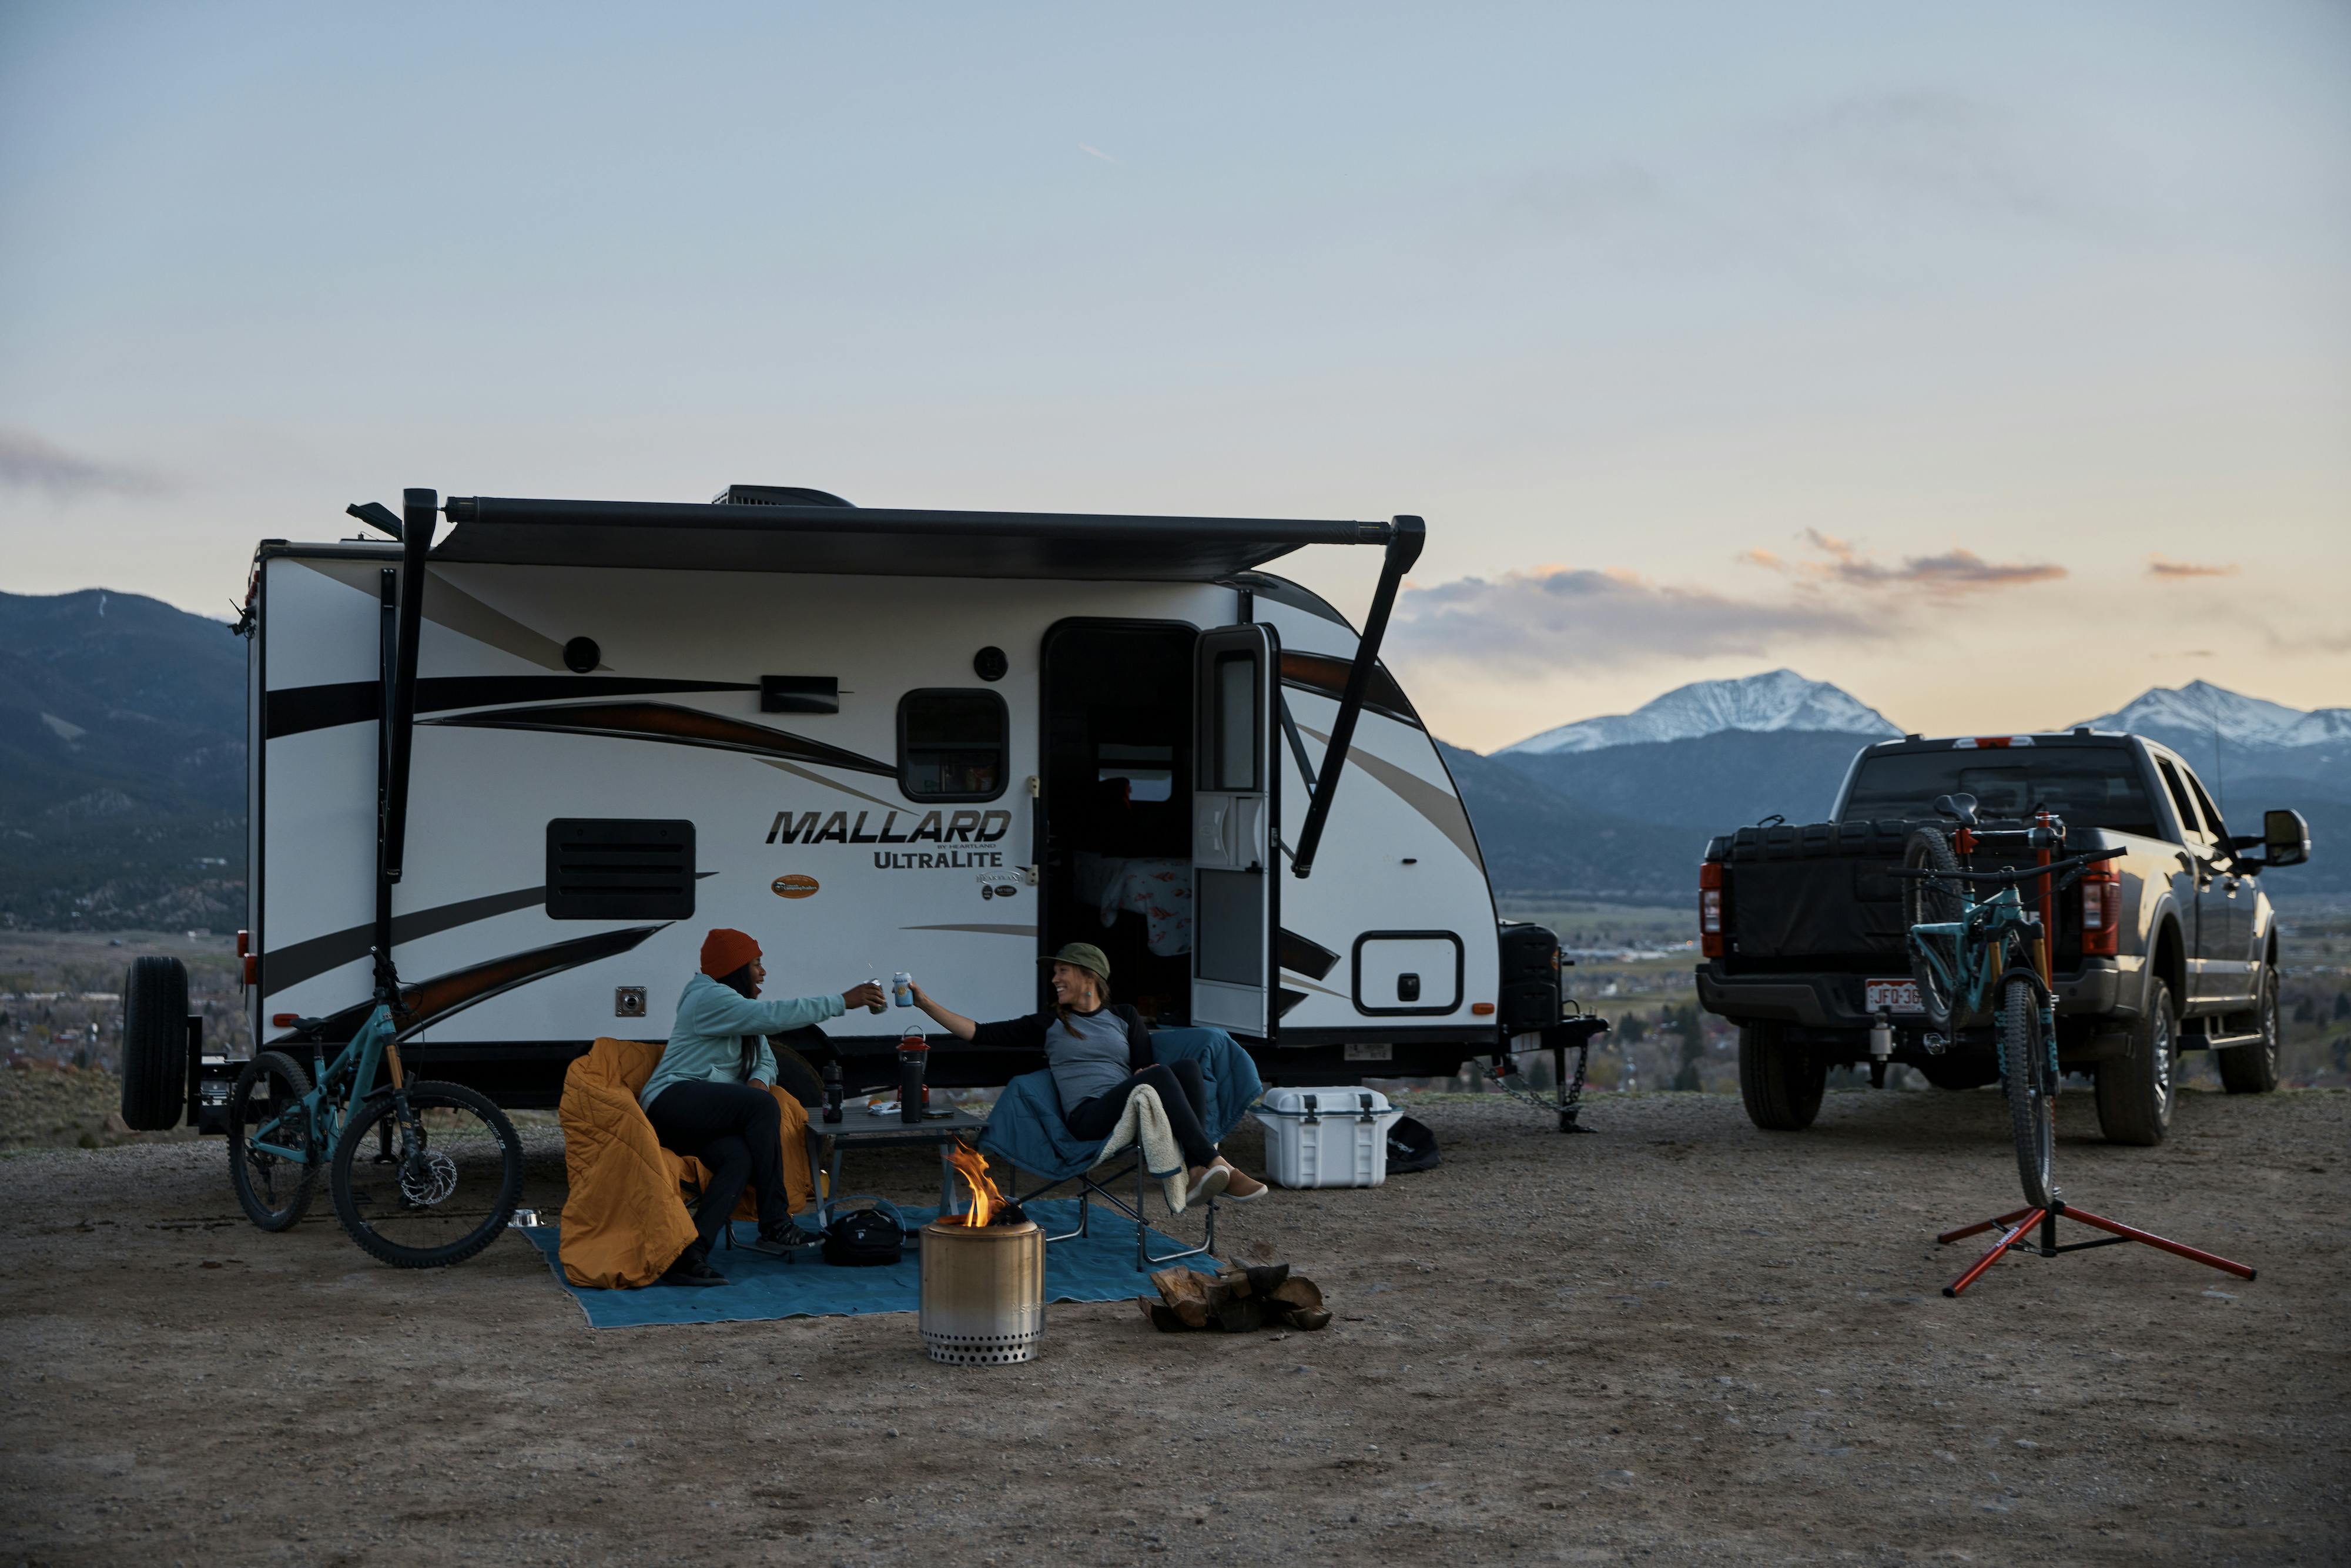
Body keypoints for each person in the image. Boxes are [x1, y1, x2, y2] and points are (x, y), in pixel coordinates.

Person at [909, 942, 1265, 1202]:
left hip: (1129, 1107)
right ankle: (1215, 1163)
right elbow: (978, 1032)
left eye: (1062, 971)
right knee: (1160, 1077)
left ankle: (1198, 1170)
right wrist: (925, 1004)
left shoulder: (1124, 1016)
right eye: (1055, 973)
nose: (1055, 979)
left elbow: (1143, 1069)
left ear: (1089, 977)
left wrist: (1148, 1082)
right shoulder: (1050, 1022)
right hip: (1088, 1118)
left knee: (1186, 1067)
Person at [642, 928, 885, 1286]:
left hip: (701, 1111)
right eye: (756, 964)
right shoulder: (708, 998)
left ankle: (690, 1255)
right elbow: (774, 1015)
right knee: (762, 1108)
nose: (763, 972)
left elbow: (767, 1059)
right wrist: (842, 1001)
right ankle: (774, 1222)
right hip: (672, 1101)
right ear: (735, 967)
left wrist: (758, 1081)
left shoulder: (739, 1012)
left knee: (737, 1158)